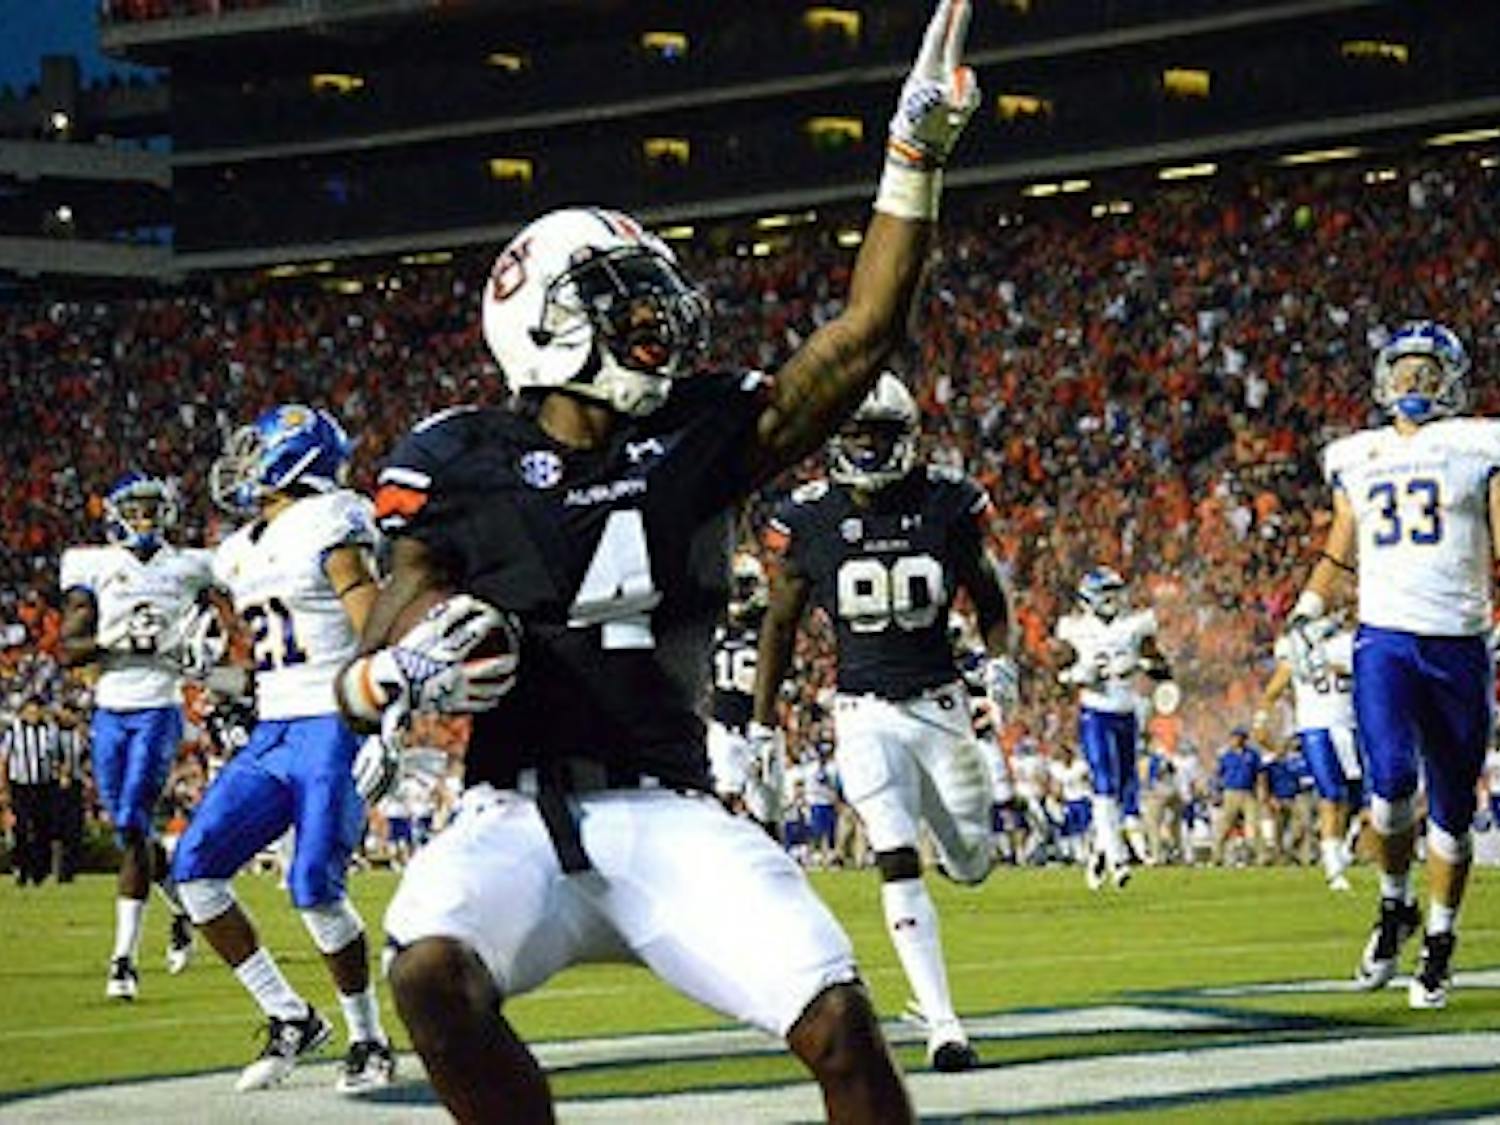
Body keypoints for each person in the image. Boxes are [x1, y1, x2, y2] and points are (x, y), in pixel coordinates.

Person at [333, 5, 982, 1119]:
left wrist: (910, 155)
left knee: (840, 1022)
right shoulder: (459, 455)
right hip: (511, 817)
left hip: (670, 810)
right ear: (541, 322)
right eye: (617, 305)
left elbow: (865, 331)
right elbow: (386, 626)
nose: (655, 324)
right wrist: (407, 662)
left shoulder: (697, 427)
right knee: (429, 976)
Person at [754, 372, 1018, 1071]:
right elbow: (779, 625)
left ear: (907, 438)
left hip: (941, 707)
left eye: (878, 436)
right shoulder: (808, 517)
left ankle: (941, 996)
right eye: (854, 436)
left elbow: (990, 600)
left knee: (970, 861)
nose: (865, 450)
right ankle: (943, 1022)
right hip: (862, 712)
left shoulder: (947, 502)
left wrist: (1001, 664)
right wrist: (761, 722)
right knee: (894, 852)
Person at [171, 405, 395, 1093]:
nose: (243, 464)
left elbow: (376, 626)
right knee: (195, 870)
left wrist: (386, 721)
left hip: (332, 723)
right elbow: (272, 658)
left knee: (313, 888)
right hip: (273, 729)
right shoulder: (239, 549)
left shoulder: (332, 520)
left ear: (296, 458)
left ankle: (369, 1037)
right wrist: (206, 670)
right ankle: (290, 1014)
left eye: (258, 449)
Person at [1292, 320, 1497, 1009]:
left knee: (1451, 810)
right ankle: (1392, 905)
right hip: (1383, 637)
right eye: (1403, 369)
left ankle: (1439, 937)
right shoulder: (1356, 453)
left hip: (1459, 640)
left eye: (1426, 371)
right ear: (1383, 377)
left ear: (1451, 381)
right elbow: (1341, 544)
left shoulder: (1478, 443)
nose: (1412, 382)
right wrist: (1307, 605)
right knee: (1386, 787)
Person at [60, 472, 212, 999]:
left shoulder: (191, 565)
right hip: (110, 708)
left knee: (132, 819)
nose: (146, 521)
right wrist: (113, 638)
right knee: (128, 832)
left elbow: (226, 603)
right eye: (137, 511)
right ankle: (182, 909)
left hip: (159, 706)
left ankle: (122, 960)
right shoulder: (93, 564)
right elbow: (71, 646)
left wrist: (203, 644)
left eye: (153, 511)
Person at [1053, 567, 1172, 889]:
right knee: (1104, 784)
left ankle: (1100, 851)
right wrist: (1078, 675)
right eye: (1107, 593)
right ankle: (1119, 860)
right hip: (1096, 713)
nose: (1114, 599)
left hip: (1127, 713)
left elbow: (1164, 670)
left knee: (1121, 789)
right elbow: (1056, 678)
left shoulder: (1134, 626)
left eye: (1116, 591)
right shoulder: (1074, 629)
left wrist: (1141, 664)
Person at [1253, 616, 1361, 889]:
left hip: (1349, 727)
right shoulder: (1299, 652)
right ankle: (1334, 866)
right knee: (1331, 795)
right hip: (1318, 728)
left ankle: (1342, 850)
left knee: (1359, 798)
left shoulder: (1346, 646)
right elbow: (1272, 691)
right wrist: (1261, 721)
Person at [707, 551, 780, 828]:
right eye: (736, 584)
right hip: (724, 727)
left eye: (744, 584)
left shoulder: (771, 627)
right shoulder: (716, 625)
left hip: (762, 728)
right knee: (722, 803)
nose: (738, 591)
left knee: (767, 813)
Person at [1, 696, 59, 886]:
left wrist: (60, 774)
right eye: (30, 711)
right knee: (21, 829)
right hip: (20, 786)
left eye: (37, 711)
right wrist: (4, 788)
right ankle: (21, 868)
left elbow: (57, 757)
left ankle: (39, 871)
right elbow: (4, 760)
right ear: (24, 712)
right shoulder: (13, 731)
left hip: (43, 786)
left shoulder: (49, 730)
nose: (34, 715)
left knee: (43, 828)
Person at [1212, 727, 1266, 865]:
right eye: (1235, 737)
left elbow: (1260, 774)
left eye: (1240, 737)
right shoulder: (1226, 756)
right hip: (1230, 792)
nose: (1237, 740)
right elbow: (1218, 775)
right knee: (1224, 826)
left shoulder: (1252, 755)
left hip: (1248, 792)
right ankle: (1217, 856)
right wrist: (1216, 793)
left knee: (1253, 826)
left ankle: (1261, 856)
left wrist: (1262, 791)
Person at [53, 704, 88, 882]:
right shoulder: (52, 733)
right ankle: (56, 869)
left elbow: (86, 757)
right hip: (55, 785)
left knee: (73, 828)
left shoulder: (79, 735)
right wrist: (60, 772)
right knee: (57, 828)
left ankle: (69, 871)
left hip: (75, 784)